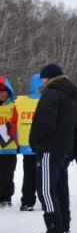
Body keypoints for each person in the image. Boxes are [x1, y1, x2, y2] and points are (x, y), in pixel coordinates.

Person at [29, 64, 77, 233]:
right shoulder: (72, 95)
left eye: (43, 78)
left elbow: (44, 124)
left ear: (49, 78)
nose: (41, 82)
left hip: (49, 148)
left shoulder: (51, 94)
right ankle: (64, 226)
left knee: (45, 189)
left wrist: (34, 141)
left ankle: (55, 229)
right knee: (60, 187)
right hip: (65, 149)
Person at [15, 74, 42, 211]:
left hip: (26, 146)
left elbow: (13, 121)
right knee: (44, 174)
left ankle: (27, 201)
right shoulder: (48, 100)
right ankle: (46, 200)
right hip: (43, 144)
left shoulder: (20, 102)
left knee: (29, 174)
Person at [0, 76, 18, 207]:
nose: (3, 95)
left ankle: (6, 198)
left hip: (9, 147)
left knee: (8, 174)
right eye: (1, 92)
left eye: (6, 92)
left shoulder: (14, 106)